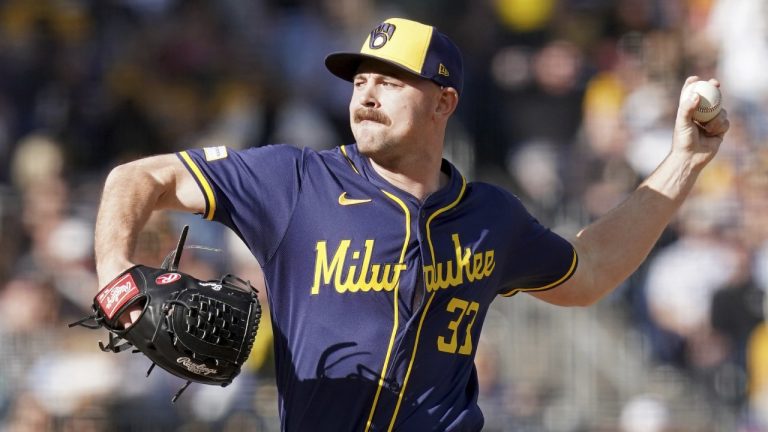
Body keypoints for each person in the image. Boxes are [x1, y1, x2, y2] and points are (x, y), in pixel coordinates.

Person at [92, 17, 729, 432]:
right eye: (360, 80)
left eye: (391, 82)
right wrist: (117, 279)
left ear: (444, 102)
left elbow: (586, 273)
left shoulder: (490, 217)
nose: (366, 94)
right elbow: (136, 180)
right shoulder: (292, 181)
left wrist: (686, 160)